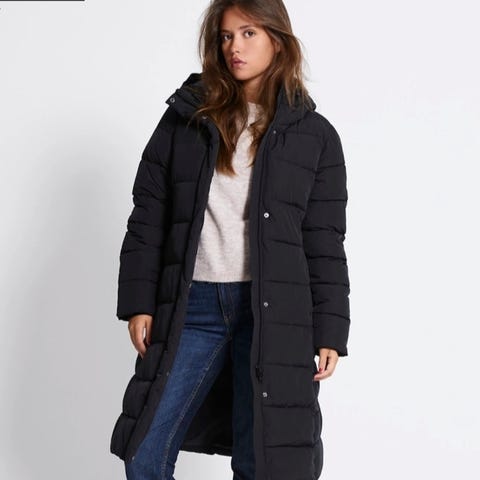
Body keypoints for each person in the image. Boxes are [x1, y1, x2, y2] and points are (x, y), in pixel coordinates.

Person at [112, 1, 351, 479]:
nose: (234, 47)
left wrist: (330, 330)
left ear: (277, 40)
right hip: (193, 307)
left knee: (259, 461)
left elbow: (324, 240)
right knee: (144, 452)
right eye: (225, 36)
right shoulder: (186, 119)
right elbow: (149, 215)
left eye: (248, 33)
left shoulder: (315, 136)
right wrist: (139, 304)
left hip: (271, 313)